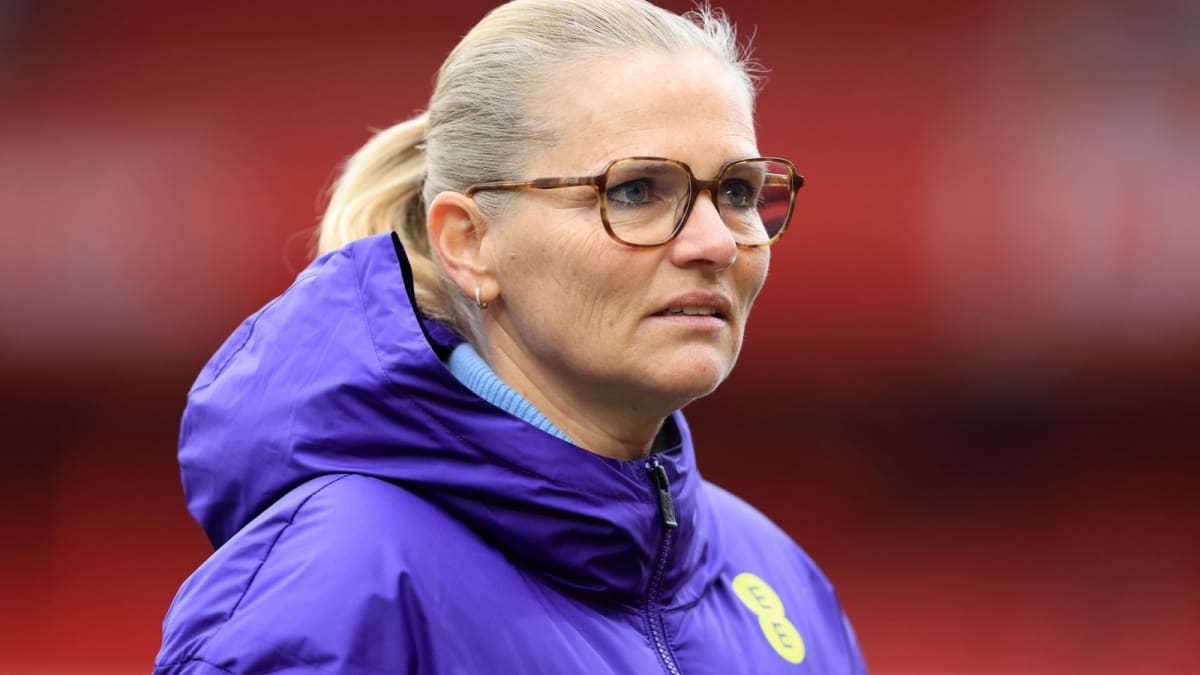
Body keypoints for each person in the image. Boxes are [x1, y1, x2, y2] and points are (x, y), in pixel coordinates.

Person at [155, 0, 867, 673]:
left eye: (738, 192)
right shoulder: (337, 582)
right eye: (636, 191)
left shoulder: (780, 580)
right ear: (470, 242)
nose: (715, 242)